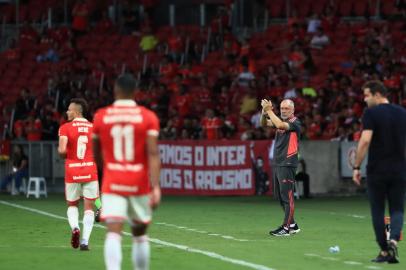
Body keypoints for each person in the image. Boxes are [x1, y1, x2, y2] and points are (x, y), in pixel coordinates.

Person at [92, 74, 161, 270]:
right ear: (135, 92)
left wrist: (108, 169)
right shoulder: (148, 117)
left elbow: (95, 152)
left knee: (113, 232)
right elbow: (153, 153)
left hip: (113, 180)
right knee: (140, 234)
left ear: (115, 90)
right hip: (139, 182)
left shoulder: (101, 116)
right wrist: (155, 187)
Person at [352, 81, 406, 264]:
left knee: (377, 210)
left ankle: (384, 250)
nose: (365, 99)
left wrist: (356, 167)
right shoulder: (402, 112)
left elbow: (365, 141)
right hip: (399, 169)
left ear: (377, 94)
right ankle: (393, 241)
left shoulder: (371, 113)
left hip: (377, 170)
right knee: (398, 208)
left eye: (367, 95)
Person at [58, 98, 100, 251]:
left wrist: (66, 155)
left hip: (73, 169)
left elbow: (62, 150)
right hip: (90, 169)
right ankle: (84, 242)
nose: (67, 112)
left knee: (72, 204)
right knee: (89, 207)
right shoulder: (94, 127)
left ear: (76, 111)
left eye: (69, 109)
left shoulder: (65, 128)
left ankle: (75, 227)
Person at [261, 99, 301, 236]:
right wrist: (263, 113)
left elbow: (278, 123)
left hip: (288, 162)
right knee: (279, 196)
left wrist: (269, 110)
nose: (283, 111)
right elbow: (264, 123)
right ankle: (293, 224)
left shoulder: (295, 122)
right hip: (279, 162)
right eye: (282, 108)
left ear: (292, 110)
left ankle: (286, 228)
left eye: (286, 109)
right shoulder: (281, 122)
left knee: (287, 196)